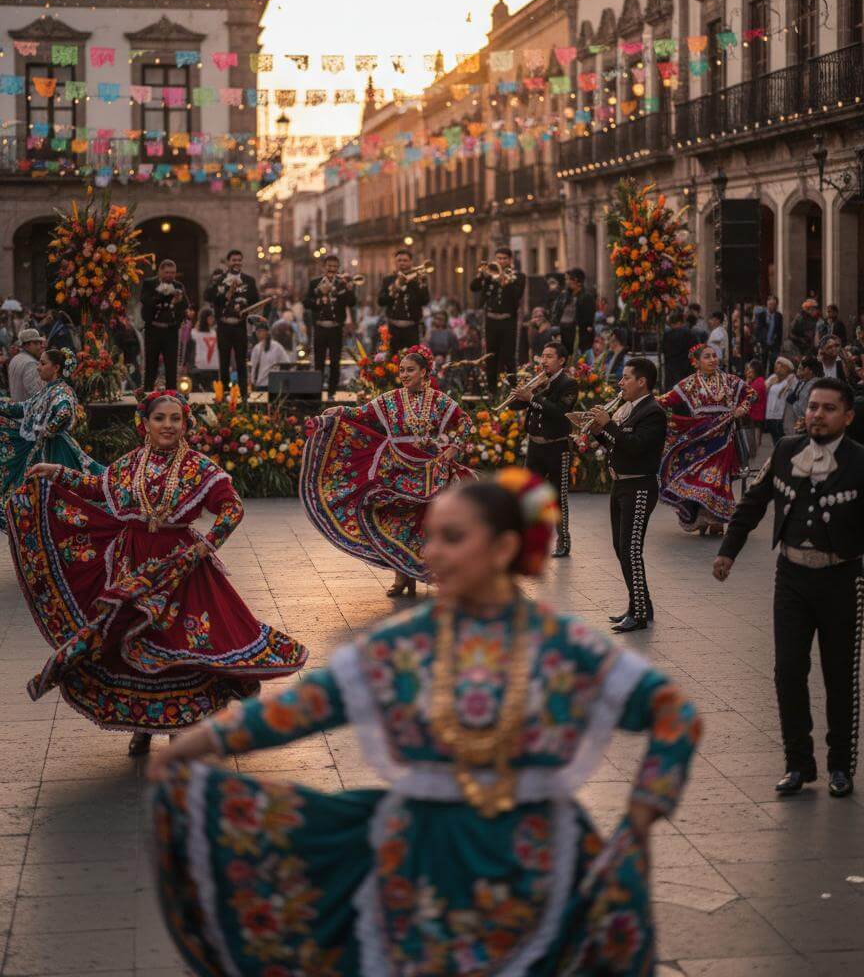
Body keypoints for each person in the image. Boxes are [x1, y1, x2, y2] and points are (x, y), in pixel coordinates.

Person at [148, 466, 701, 977]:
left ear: (505, 547)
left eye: (452, 538)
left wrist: (642, 816)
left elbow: (673, 711)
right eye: (431, 535)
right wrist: (197, 744)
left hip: (541, 865)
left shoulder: (564, 646)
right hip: (421, 862)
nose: (431, 551)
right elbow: (306, 705)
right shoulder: (402, 645)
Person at [11, 390, 308, 756]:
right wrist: (56, 473)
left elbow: (231, 507)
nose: (168, 426)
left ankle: (179, 731)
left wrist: (205, 545)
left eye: (175, 419)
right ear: (145, 424)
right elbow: (100, 489)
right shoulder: (128, 465)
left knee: (178, 645)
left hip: (181, 570)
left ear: (185, 424)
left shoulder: (199, 467)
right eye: (160, 418)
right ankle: (144, 727)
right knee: (133, 643)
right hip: (132, 564)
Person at [713, 379, 864, 799]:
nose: (817, 414)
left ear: (847, 417)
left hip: (842, 580)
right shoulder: (785, 451)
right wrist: (729, 552)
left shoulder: (859, 462)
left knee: (840, 676)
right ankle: (798, 764)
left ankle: (839, 766)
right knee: (788, 672)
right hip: (792, 577)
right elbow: (753, 503)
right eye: (813, 406)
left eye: (829, 408)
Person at [300, 344, 473, 598]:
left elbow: (466, 421)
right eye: (402, 370)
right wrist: (337, 411)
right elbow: (362, 414)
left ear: (424, 373)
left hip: (429, 471)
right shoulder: (390, 399)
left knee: (423, 523)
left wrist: (453, 449)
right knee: (391, 518)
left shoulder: (439, 401)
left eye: (410, 370)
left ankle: (416, 573)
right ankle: (401, 576)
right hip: (396, 469)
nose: (404, 375)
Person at [589, 357, 668, 633]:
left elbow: (635, 446)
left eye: (625, 378)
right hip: (621, 485)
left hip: (640, 487)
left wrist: (609, 425)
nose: (620, 383)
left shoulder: (653, 412)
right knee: (620, 548)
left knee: (631, 551)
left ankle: (640, 614)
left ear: (642, 381)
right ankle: (640, 603)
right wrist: (599, 432)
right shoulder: (630, 408)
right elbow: (618, 445)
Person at [659, 344, 756, 535]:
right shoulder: (689, 384)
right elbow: (665, 400)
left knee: (716, 478)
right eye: (707, 357)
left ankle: (716, 519)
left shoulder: (730, 381)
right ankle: (704, 517)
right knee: (697, 477)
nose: (712, 359)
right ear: (696, 362)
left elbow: (752, 394)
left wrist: (742, 408)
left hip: (723, 437)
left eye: (714, 356)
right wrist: (641, 399)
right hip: (699, 438)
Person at [0, 348, 100, 533]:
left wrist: (47, 430)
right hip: (44, 449)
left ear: (56, 368)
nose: (38, 368)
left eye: (43, 363)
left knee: (63, 500)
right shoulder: (46, 391)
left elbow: (64, 411)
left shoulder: (62, 390)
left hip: (55, 450)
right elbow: (23, 408)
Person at [512, 340, 577, 558]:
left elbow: (559, 412)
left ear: (561, 360)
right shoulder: (539, 381)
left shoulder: (568, 384)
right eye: (543, 356)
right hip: (534, 446)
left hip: (557, 447)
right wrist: (520, 394)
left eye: (549, 356)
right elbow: (516, 405)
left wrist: (532, 397)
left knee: (558, 497)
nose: (544, 360)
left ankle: (563, 541)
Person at [205, 250, 260, 400]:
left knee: (241, 360)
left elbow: (255, 300)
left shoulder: (249, 280)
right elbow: (207, 296)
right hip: (223, 326)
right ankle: (222, 394)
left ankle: (243, 394)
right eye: (234, 260)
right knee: (224, 361)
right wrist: (225, 294)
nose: (237, 263)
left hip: (240, 326)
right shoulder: (219, 279)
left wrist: (246, 306)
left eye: (239, 260)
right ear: (228, 262)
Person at [470, 247, 527, 391]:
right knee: (491, 356)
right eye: (499, 258)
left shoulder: (518, 277)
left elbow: (517, 296)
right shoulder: (490, 275)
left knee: (509, 356)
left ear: (510, 260)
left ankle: (514, 391)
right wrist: (481, 274)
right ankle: (492, 392)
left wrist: (505, 281)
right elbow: (474, 287)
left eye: (504, 258)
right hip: (491, 321)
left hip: (508, 321)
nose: (501, 261)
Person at [303, 255, 356, 399]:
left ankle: (332, 393)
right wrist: (320, 299)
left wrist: (350, 289)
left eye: (334, 267)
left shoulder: (342, 283)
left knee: (335, 362)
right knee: (318, 362)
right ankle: (317, 393)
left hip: (336, 328)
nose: (332, 269)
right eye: (329, 266)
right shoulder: (315, 283)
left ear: (337, 268)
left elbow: (351, 303)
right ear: (324, 267)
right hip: (320, 328)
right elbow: (306, 302)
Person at [140, 259, 189, 392]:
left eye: (172, 273)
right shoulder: (149, 283)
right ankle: (147, 396)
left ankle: (172, 396)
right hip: (153, 329)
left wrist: (178, 301)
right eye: (167, 272)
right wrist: (161, 295)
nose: (170, 275)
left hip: (171, 330)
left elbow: (185, 305)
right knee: (151, 365)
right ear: (160, 271)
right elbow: (145, 300)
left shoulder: (178, 285)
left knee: (171, 367)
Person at [378, 249, 430, 355]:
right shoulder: (388, 280)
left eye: (405, 261)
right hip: (393, 329)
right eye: (399, 260)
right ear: (395, 263)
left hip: (412, 328)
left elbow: (425, 300)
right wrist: (395, 289)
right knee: (392, 361)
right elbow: (380, 301)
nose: (402, 263)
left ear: (411, 262)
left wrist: (420, 284)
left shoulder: (417, 280)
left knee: (412, 359)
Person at [550, 266, 595, 356]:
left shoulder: (586, 297)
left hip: (578, 338)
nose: (566, 282)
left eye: (568, 279)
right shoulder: (564, 296)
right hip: (563, 335)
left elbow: (588, 320)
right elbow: (556, 313)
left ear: (577, 281)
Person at [662, 309, 699, 390]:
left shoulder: (667, 335)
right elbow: (696, 350)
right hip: (686, 368)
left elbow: (664, 350)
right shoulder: (690, 334)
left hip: (671, 369)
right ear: (680, 322)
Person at [763, 356, 795, 444]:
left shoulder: (791, 379)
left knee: (783, 441)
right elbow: (762, 391)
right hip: (770, 416)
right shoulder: (772, 378)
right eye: (776, 366)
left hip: (782, 417)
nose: (777, 369)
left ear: (787, 369)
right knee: (776, 441)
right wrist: (769, 385)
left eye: (781, 367)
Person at [249, 321, 290, 391]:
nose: (258, 334)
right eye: (257, 331)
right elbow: (253, 367)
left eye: (260, 331)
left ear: (266, 332)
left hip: (273, 383)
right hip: (259, 384)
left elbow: (286, 363)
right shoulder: (256, 348)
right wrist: (252, 382)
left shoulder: (276, 346)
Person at [6, 328, 44, 402]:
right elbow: (36, 392)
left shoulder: (15, 359)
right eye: (36, 343)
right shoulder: (31, 363)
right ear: (27, 345)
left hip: (16, 409)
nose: (39, 347)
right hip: (26, 410)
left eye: (39, 343)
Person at [186, 307, 219, 390]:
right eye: (210, 317)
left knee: (212, 394)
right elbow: (189, 351)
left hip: (213, 368)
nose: (212, 320)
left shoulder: (214, 333)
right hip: (197, 369)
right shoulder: (193, 333)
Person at [754, 295, 784, 373]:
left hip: (774, 344)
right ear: (767, 304)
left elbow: (780, 331)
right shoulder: (761, 315)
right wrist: (758, 341)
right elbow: (758, 329)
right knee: (762, 363)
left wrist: (779, 344)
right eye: (770, 304)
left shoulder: (779, 316)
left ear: (776, 305)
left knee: (773, 364)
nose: (771, 307)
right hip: (763, 343)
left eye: (774, 305)